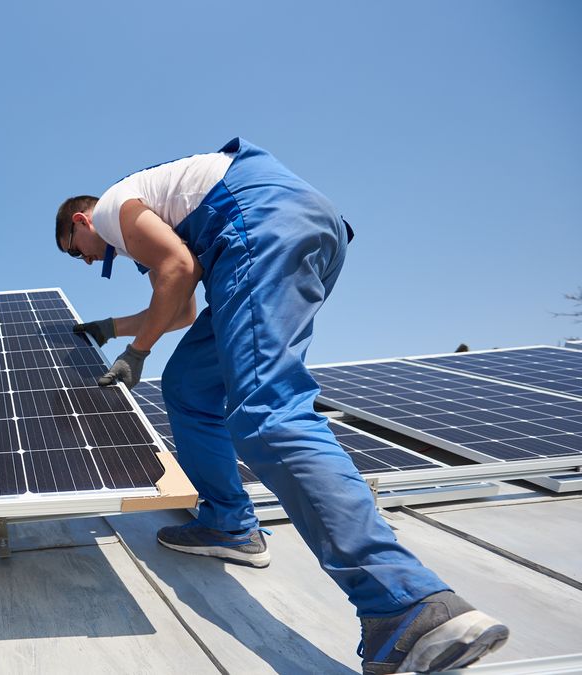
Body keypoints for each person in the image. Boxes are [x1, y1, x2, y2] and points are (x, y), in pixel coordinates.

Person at [56, 139, 508, 674]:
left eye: (73, 248)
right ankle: (229, 525)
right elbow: (180, 310)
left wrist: (135, 352)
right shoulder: (152, 208)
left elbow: (176, 269)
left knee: (265, 412)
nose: (84, 260)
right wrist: (113, 328)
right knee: (189, 387)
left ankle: (408, 603)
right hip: (297, 229)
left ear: (82, 221)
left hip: (257, 227)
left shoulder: (111, 209)